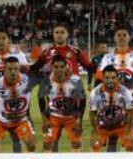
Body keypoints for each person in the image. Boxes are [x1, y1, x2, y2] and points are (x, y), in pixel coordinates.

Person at [30, 22, 94, 152]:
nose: (59, 35)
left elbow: (89, 67)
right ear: (53, 35)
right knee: (53, 136)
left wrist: (88, 82)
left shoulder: (75, 51)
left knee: (75, 137)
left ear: (67, 34)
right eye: (56, 32)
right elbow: (35, 68)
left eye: (62, 32)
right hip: (53, 94)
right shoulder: (47, 52)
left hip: (72, 95)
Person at [95, 26, 133, 151]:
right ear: (114, 38)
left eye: (124, 35)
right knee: (112, 131)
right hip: (113, 99)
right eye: (119, 35)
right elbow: (99, 78)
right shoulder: (107, 57)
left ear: (129, 37)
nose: (122, 38)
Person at [0, 29, 29, 153]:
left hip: (16, 100)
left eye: (4, 38)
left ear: (8, 40)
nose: (1, 41)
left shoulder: (18, 54)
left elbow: (26, 74)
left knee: (17, 135)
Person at [0, 56, 35, 153]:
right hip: (0, 120)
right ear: (5, 69)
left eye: (15, 69)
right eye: (10, 69)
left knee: (31, 145)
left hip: (21, 119)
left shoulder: (28, 81)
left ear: (19, 69)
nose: (13, 72)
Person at [38, 55, 86, 152]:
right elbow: (41, 98)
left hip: (71, 117)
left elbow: (83, 101)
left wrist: (78, 121)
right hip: (53, 117)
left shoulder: (76, 81)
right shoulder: (45, 81)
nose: (59, 70)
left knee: (77, 143)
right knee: (47, 144)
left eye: (61, 67)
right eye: (56, 67)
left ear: (66, 67)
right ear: (51, 67)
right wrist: (44, 119)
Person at [90, 65, 133, 152]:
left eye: (113, 77)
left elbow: (132, 110)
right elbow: (92, 113)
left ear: (117, 78)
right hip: (103, 126)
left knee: (130, 145)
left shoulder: (125, 91)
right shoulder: (95, 92)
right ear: (102, 78)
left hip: (122, 125)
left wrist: (129, 130)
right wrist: (95, 131)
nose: (110, 80)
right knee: (95, 146)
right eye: (107, 78)